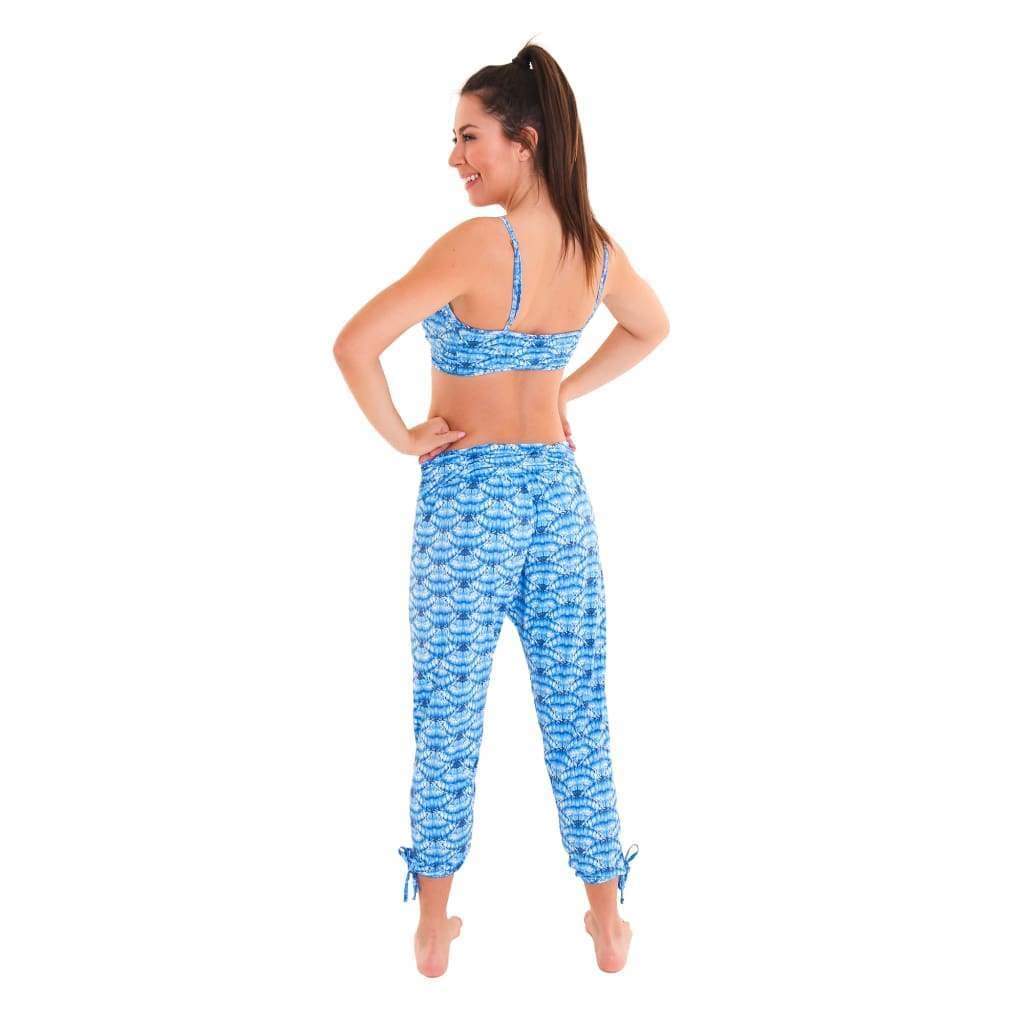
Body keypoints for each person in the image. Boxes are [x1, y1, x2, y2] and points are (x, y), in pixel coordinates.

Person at [333, 40, 669, 977]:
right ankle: (607, 922)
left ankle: (434, 929)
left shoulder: (482, 244)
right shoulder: (593, 250)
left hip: (470, 498)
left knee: (448, 709)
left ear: (525, 140)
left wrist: (405, 437)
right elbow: (651, 326)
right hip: (557, 496)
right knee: (577, 707)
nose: (456, 158)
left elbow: (354, 344)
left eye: (470, 137)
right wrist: (560, 392)